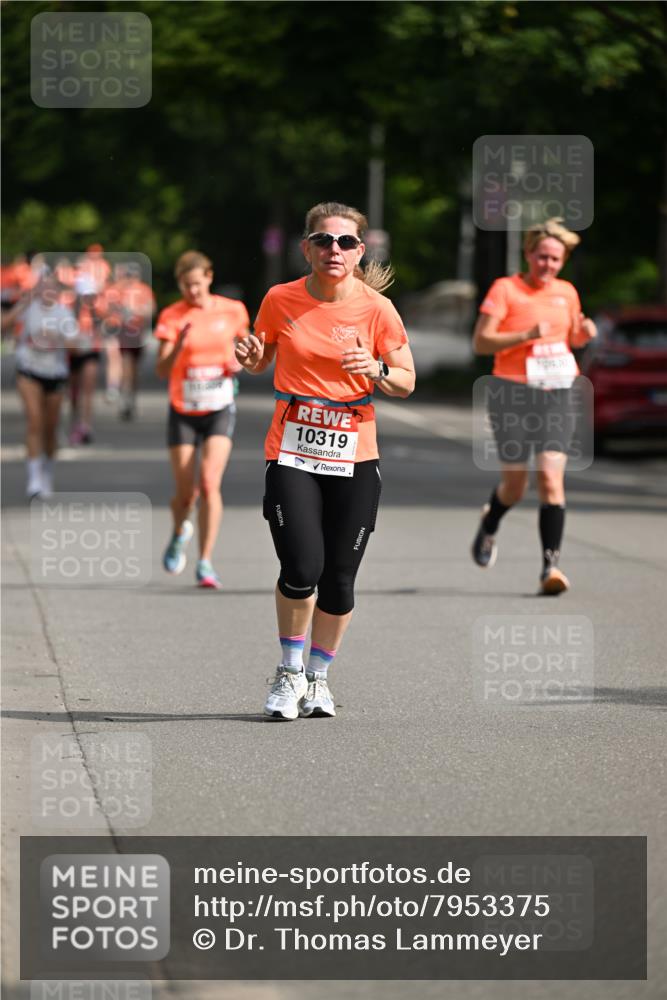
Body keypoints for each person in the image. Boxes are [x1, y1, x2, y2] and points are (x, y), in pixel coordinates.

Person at [235, 201, 416, 720]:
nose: (333, 249)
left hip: (355, 455)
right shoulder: (280, 298)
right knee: (301, 567)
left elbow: (406, 379)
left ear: (360, 252)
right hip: (292, 449)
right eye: (323, 240)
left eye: (345, 242)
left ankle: (318, 678)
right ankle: (289, 671)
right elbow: (262, 357)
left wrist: (377, 369)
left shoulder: (377, 309)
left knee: (338, 579)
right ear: (307, 248)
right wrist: (252, 359)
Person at [470, 217, 597, 594]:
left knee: (550, 479)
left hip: (557, 392)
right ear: (528, 254)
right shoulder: (506, 289)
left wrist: (583, 334)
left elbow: (571, 336)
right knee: (515, 485)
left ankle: (550, 568)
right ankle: (491, 521)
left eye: (555, 259)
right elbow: (481, 342)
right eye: (542, 257)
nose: (548, 265)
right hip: (511, 394)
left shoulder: (567, 292)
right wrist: (526, 334)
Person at [155, 250, 249, 588]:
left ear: (209, 277)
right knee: (186, 495)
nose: (192, 291)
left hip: (219, 406)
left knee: (209, 483)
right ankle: (179, 530)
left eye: (196, 283)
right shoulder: (172, 315)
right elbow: (162, 369)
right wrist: (179, 345)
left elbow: (248, 350)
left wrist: (240, 361)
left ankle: (205, 562)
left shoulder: (233, 310)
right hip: (183, 409)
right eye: (185, 285)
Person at [3, 271, 78, 498]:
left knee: (50, 427)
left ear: (58, 291)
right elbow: (3, 326)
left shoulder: (64, 313)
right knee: (34, 421)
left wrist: (56, 338)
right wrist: (22, 304)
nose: (47, 291)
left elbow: (75, 348)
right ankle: (34, 478)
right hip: (29, 370)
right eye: (42, 287)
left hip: (55, 373)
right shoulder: (28, 309)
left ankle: (47, 472)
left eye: (51, 287)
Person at [104, 264, 156, 420]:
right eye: (129, 275)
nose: (131, 279)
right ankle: (121, 394)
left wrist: (136, 311)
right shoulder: (119, 289)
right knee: (123, 362)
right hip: (121, 332)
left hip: (137, 333)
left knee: (134, 368)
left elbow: (151, 310)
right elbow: (108, 306)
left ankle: (131, 397)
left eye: (133, 275)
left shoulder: (144, 290)